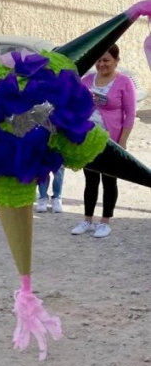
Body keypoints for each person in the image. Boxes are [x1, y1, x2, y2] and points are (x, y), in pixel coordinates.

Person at [71, 44, 136, 238]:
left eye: (106, 60)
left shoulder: (124, 82)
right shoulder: (87, 80)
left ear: (116, 61)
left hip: (111, 140)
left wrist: (122, 141)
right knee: (90, 180)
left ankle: (105, 222)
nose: (101, 64)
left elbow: (130, 114)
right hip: (89, 138)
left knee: (109, 181)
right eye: (98, 60)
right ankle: (87, 220)